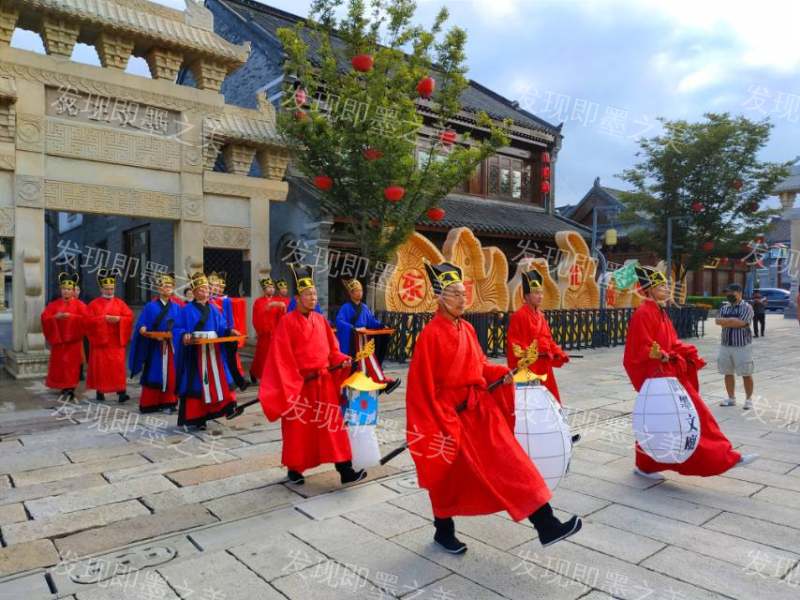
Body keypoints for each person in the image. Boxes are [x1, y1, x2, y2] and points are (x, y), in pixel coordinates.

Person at [405, 260, 582, 555]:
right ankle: (443, 531)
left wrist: (500, 372)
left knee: (513, 462)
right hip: (450, 416)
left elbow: (479, 365)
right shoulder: (430, 336)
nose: (462, 299)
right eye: (455, 294)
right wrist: (439, 421)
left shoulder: (467, 329)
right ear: (439, 297)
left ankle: (547, 525)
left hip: (480, 411)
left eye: (464, 293)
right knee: (447, 475)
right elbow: (421, 389)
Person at [624, 267, 755, 480]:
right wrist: (661, 354)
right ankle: (722, 456)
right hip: (658, 374)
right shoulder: (644, 313)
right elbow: (640, 347)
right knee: (691, 414)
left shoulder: (659, 311)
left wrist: (685, 352)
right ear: (649, 290)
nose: (667, 289)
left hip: (668, 372)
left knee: (658, 420)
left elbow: (670, 341)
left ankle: (645, 464)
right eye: (662, 286)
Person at [258, 264, 366, 486]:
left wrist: (341, 359)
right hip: (300, 386)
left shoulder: (321, 320)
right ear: (297, 298)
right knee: (299, 429)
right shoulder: (287, 322)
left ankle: (345, 469)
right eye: (308, 294)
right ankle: (294, 469)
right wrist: (293, 381)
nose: (313, 298)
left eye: (314, 294)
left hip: (323, 383)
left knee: (333, 426)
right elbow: (280, 358)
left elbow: (332, 350)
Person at [173, 273, 237, 430]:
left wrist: (229, 332)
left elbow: (221, 327)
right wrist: (183, 335)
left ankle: (225, 408)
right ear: (194, 292)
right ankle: (198, 418)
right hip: (196, 353)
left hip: (213, 352)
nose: (206, 292)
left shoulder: (214, 309)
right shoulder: (186, 310)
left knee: (220, 379)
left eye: (207, 289)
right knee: (197, 384)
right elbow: (177, 328)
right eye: (202, 289)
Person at [335, 278, 400, 394]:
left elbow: (371, 322)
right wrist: (353, 328)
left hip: (364, 340)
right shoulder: (346, 307)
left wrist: (382, 325)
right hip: (352, 340)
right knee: (356, 365)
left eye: (361, 290)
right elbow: (339, 322)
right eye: (356, 291)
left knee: (370, 362)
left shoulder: (364, 307)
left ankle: (380, 383)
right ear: (351, 293)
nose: (359, 293)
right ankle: (350, 391)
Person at [129, 273, 181, 414]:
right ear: (158, 288)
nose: (167, 288)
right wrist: (142, 328)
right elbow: (142, 323)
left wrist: (175, 334)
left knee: (171, 374)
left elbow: (181, 326)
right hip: (155, 347)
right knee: (154, 373)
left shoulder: (177, 307)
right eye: (164, 286)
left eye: (169, 286)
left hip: (171, 346)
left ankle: (169, 402)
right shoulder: (150, 306)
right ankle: (149, 403)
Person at [86, 269, 133, 403]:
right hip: (101, 343)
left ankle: (122, 392)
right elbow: (87, 321)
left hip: (116, 342)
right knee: (101, 368)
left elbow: (129, 317)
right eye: (106, 288)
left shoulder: (120, 303)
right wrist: (103, 319)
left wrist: (119, 319)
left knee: (118, 368)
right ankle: (100, 392)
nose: (109, 291)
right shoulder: (93, 304)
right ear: (101, 289)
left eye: (111, 288)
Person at [41, 273, 87, 401]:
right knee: (60, 366)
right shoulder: (53, 305)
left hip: (73, 343)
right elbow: (45, 318)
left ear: (73, 291)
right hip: (59, 342)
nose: (66, 291)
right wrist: (55, 318)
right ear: (60, 289)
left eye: (69, 289)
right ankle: (63, 386)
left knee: (71, 366)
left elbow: (87, 319)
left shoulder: (80, 305)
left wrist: (71, 317)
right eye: (64, 289)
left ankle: (70, 388)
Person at [716, 283, 756, 410]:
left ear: (739, 293)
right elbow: (717, 321)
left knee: (746, 373)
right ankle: (731, 398)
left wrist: (727, 322)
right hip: (725, 345)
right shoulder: (724, 307)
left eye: (731, 292)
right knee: (727, 372)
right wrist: (733, 321)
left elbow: (742, 323)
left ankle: (748, 399)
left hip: (742, 345)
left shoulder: (747, 307)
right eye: (727, 293)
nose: (728, 295)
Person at [208, 272, 248, 392]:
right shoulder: (208, 301)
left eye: (218, 286)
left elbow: (230, 318)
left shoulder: (225, 301)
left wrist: (231, 330)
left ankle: (235, 381)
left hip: (225, 332)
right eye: (213, 285)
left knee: (230, 358)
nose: (217, 288)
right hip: (213, 334)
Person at [249, 277, 289, 383]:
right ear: (264, 290)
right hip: (264, 334)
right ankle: (254, 372)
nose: (271, 289)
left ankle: (271, 376)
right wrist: (268, 307)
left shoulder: (278, 301)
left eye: (272, 287)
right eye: (268, 287)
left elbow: (282, 317)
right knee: (262, 356)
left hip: (275, 333)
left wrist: (283, 308)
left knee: (275, 356)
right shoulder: (258, 302)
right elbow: (257, 316)